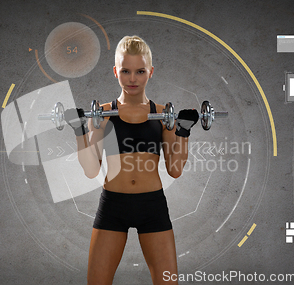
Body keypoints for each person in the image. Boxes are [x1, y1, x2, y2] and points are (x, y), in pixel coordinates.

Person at [64, 35, 199, 285]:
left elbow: (175, 169)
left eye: (140, 71)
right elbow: (91, 169)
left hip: (152, 206)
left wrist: (183, 132)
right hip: (113, 207)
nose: (133, 78)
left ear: (151, 72)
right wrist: (78, 130)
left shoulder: (163, 114)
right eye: (126, 71)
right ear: (116, 72)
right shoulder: (102, 113)